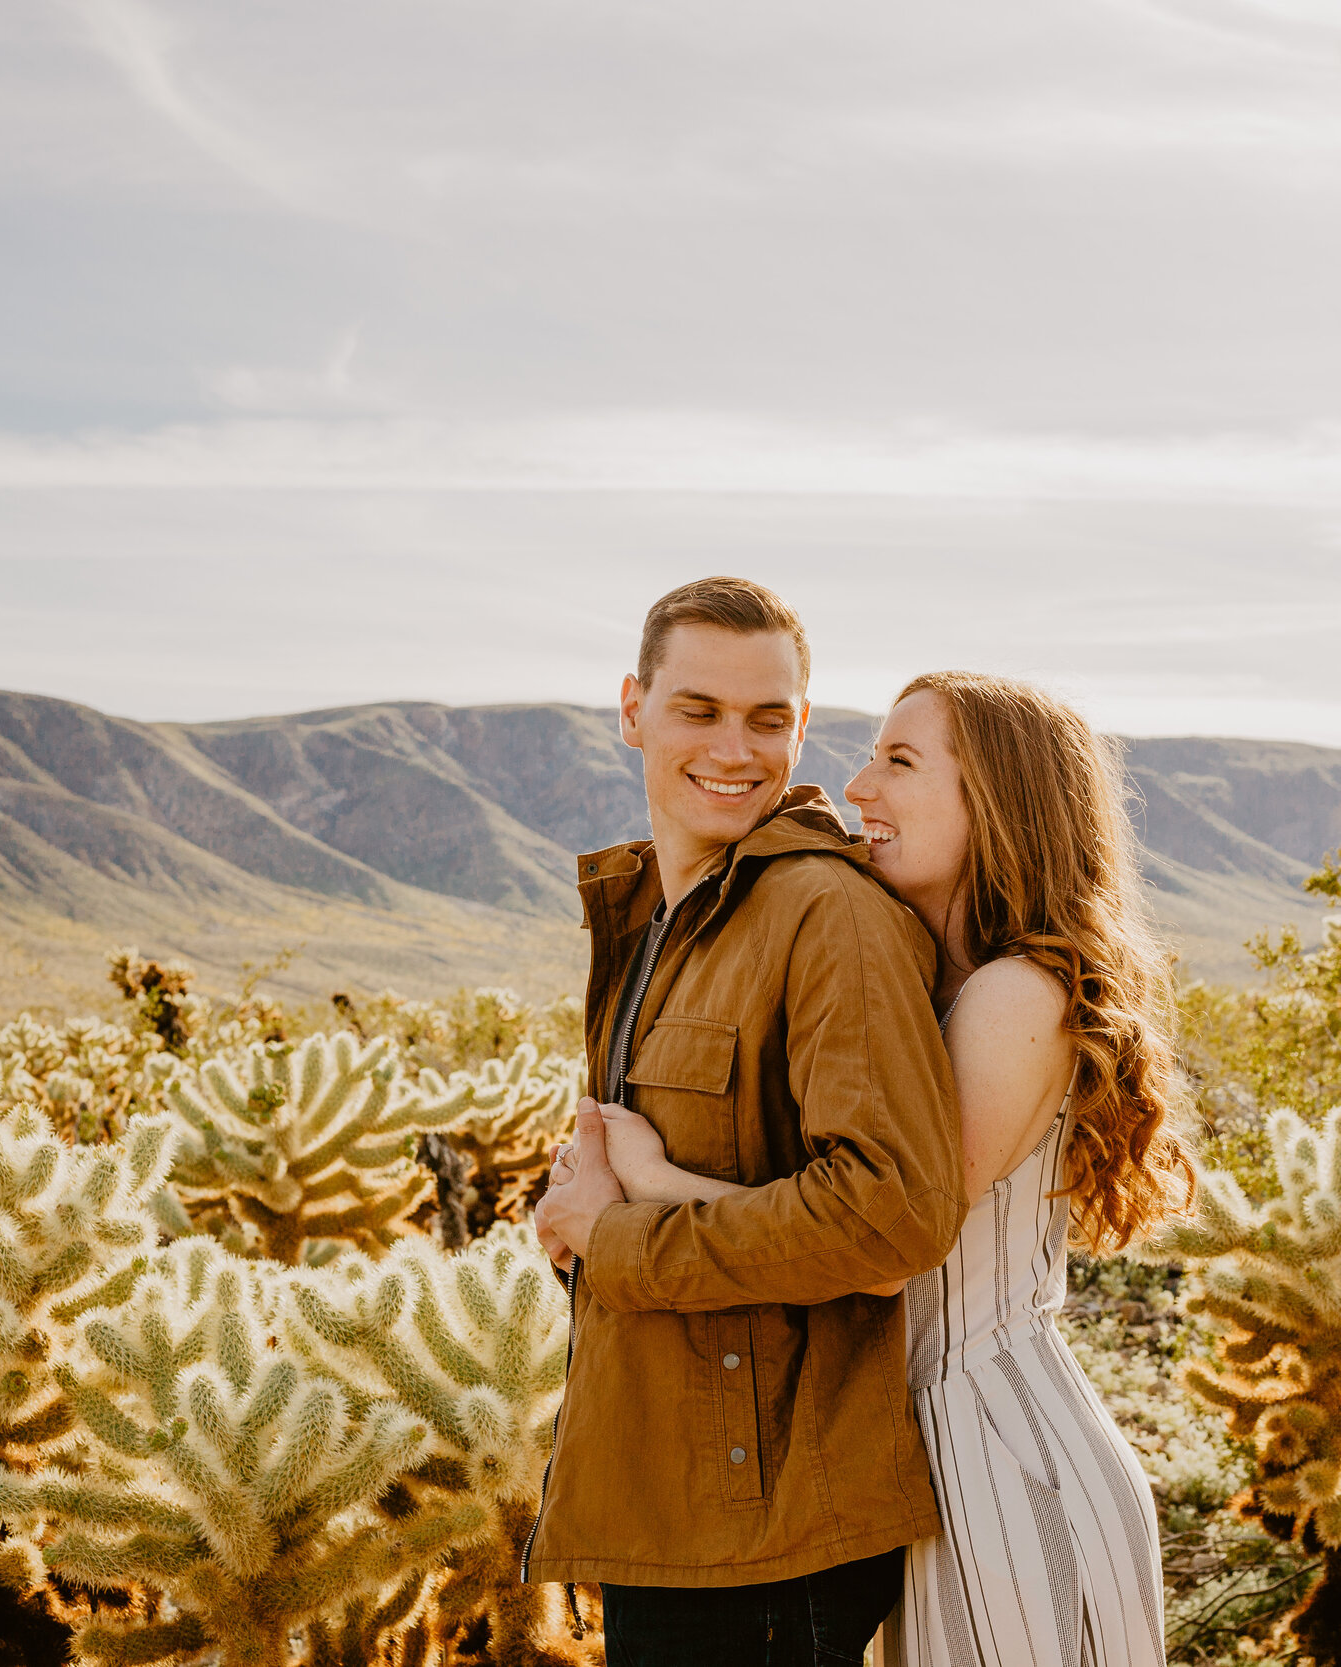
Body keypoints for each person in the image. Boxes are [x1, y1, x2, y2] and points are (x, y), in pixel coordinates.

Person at [580, 669, 1194, 1667]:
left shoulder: (1011, 994)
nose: (859, 786)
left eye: (899, 760)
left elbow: (879, 1245)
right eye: (869, 754)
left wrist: (645, 1182)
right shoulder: (927, 978)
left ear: (998, 798)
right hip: (920, 1457)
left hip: (998, 1453)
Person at [526, 579, 966, 1667]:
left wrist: (612, 1237)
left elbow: (888, 1215)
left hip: (765, 1536)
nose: (736, 746)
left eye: (768, 717)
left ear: (800, 728)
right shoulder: (660, 914)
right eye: (698, 709)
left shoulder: (828, 915)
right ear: (632, 709)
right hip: (666, 1503)